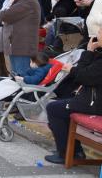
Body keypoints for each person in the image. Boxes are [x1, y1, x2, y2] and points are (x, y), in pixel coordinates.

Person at [44, 30, 102, 164]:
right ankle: (75, 151)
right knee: (59, 105)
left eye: (100, 32)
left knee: (54, 109)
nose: (96, 35)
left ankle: (66, 153)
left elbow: (83, 76)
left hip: (95, 102)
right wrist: (90, 52)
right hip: (91, 98)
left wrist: (73, 67)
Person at [0, 0, 41, 74]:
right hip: (18, 44)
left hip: (22, 46)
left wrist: (2, 13)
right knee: (16, 74)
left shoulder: (27, 2)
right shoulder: (22, 1)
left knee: (21, 75)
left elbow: (5, 15)